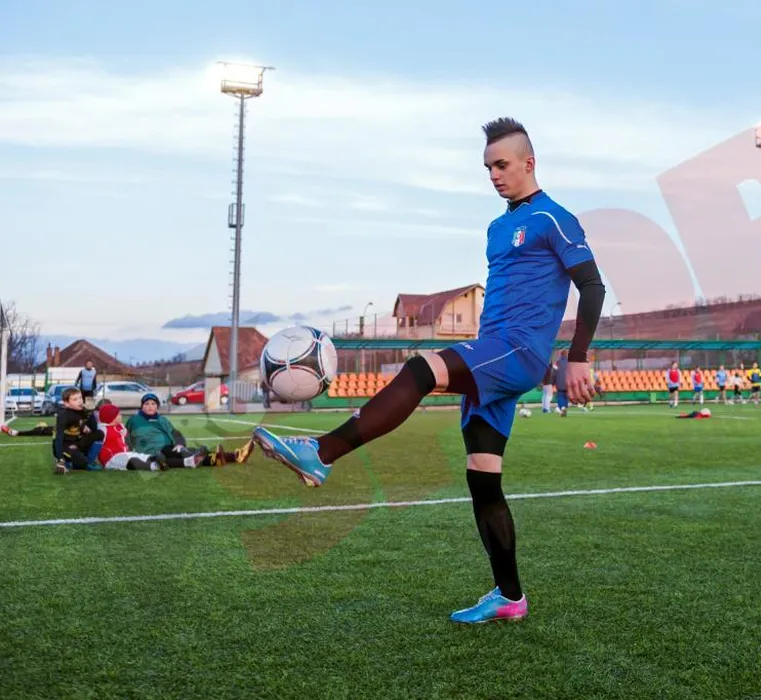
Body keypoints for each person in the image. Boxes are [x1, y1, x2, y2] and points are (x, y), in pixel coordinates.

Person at [250, 117, 606, 625]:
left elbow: (592, 286)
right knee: (483, 479)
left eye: (502, 165)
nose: (494, 175)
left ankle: (321, 453)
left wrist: (578, 357)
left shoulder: (555, 218)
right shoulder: (497, 227)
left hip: (517, 350)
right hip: (492, 349)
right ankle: (510, 597)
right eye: (487, 167)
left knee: (420, 370)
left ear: (529, 163)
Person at [96, 403, 164, 471]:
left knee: (140, 456)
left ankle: (156, 459)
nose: (121, 415)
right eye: (118, 414)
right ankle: (154, 466)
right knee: (133, 461)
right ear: (112, 417)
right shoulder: (103, 430)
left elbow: (126, 439)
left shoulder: (120, 426)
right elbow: (96, 445)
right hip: (111, 458)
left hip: (125, 453)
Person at [53, 387, 104, 474]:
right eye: (75, 399)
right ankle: (68, 462)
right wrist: (60, 458)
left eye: (80, 398)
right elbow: (58, 439)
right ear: (67, 403)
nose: (79, 401)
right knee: (77, 457)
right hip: (66, 445)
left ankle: (89, 461)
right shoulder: (63, 416)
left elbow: (94, 429)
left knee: (100, 434)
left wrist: (90, 413)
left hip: (78, 442)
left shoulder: (84, 411)